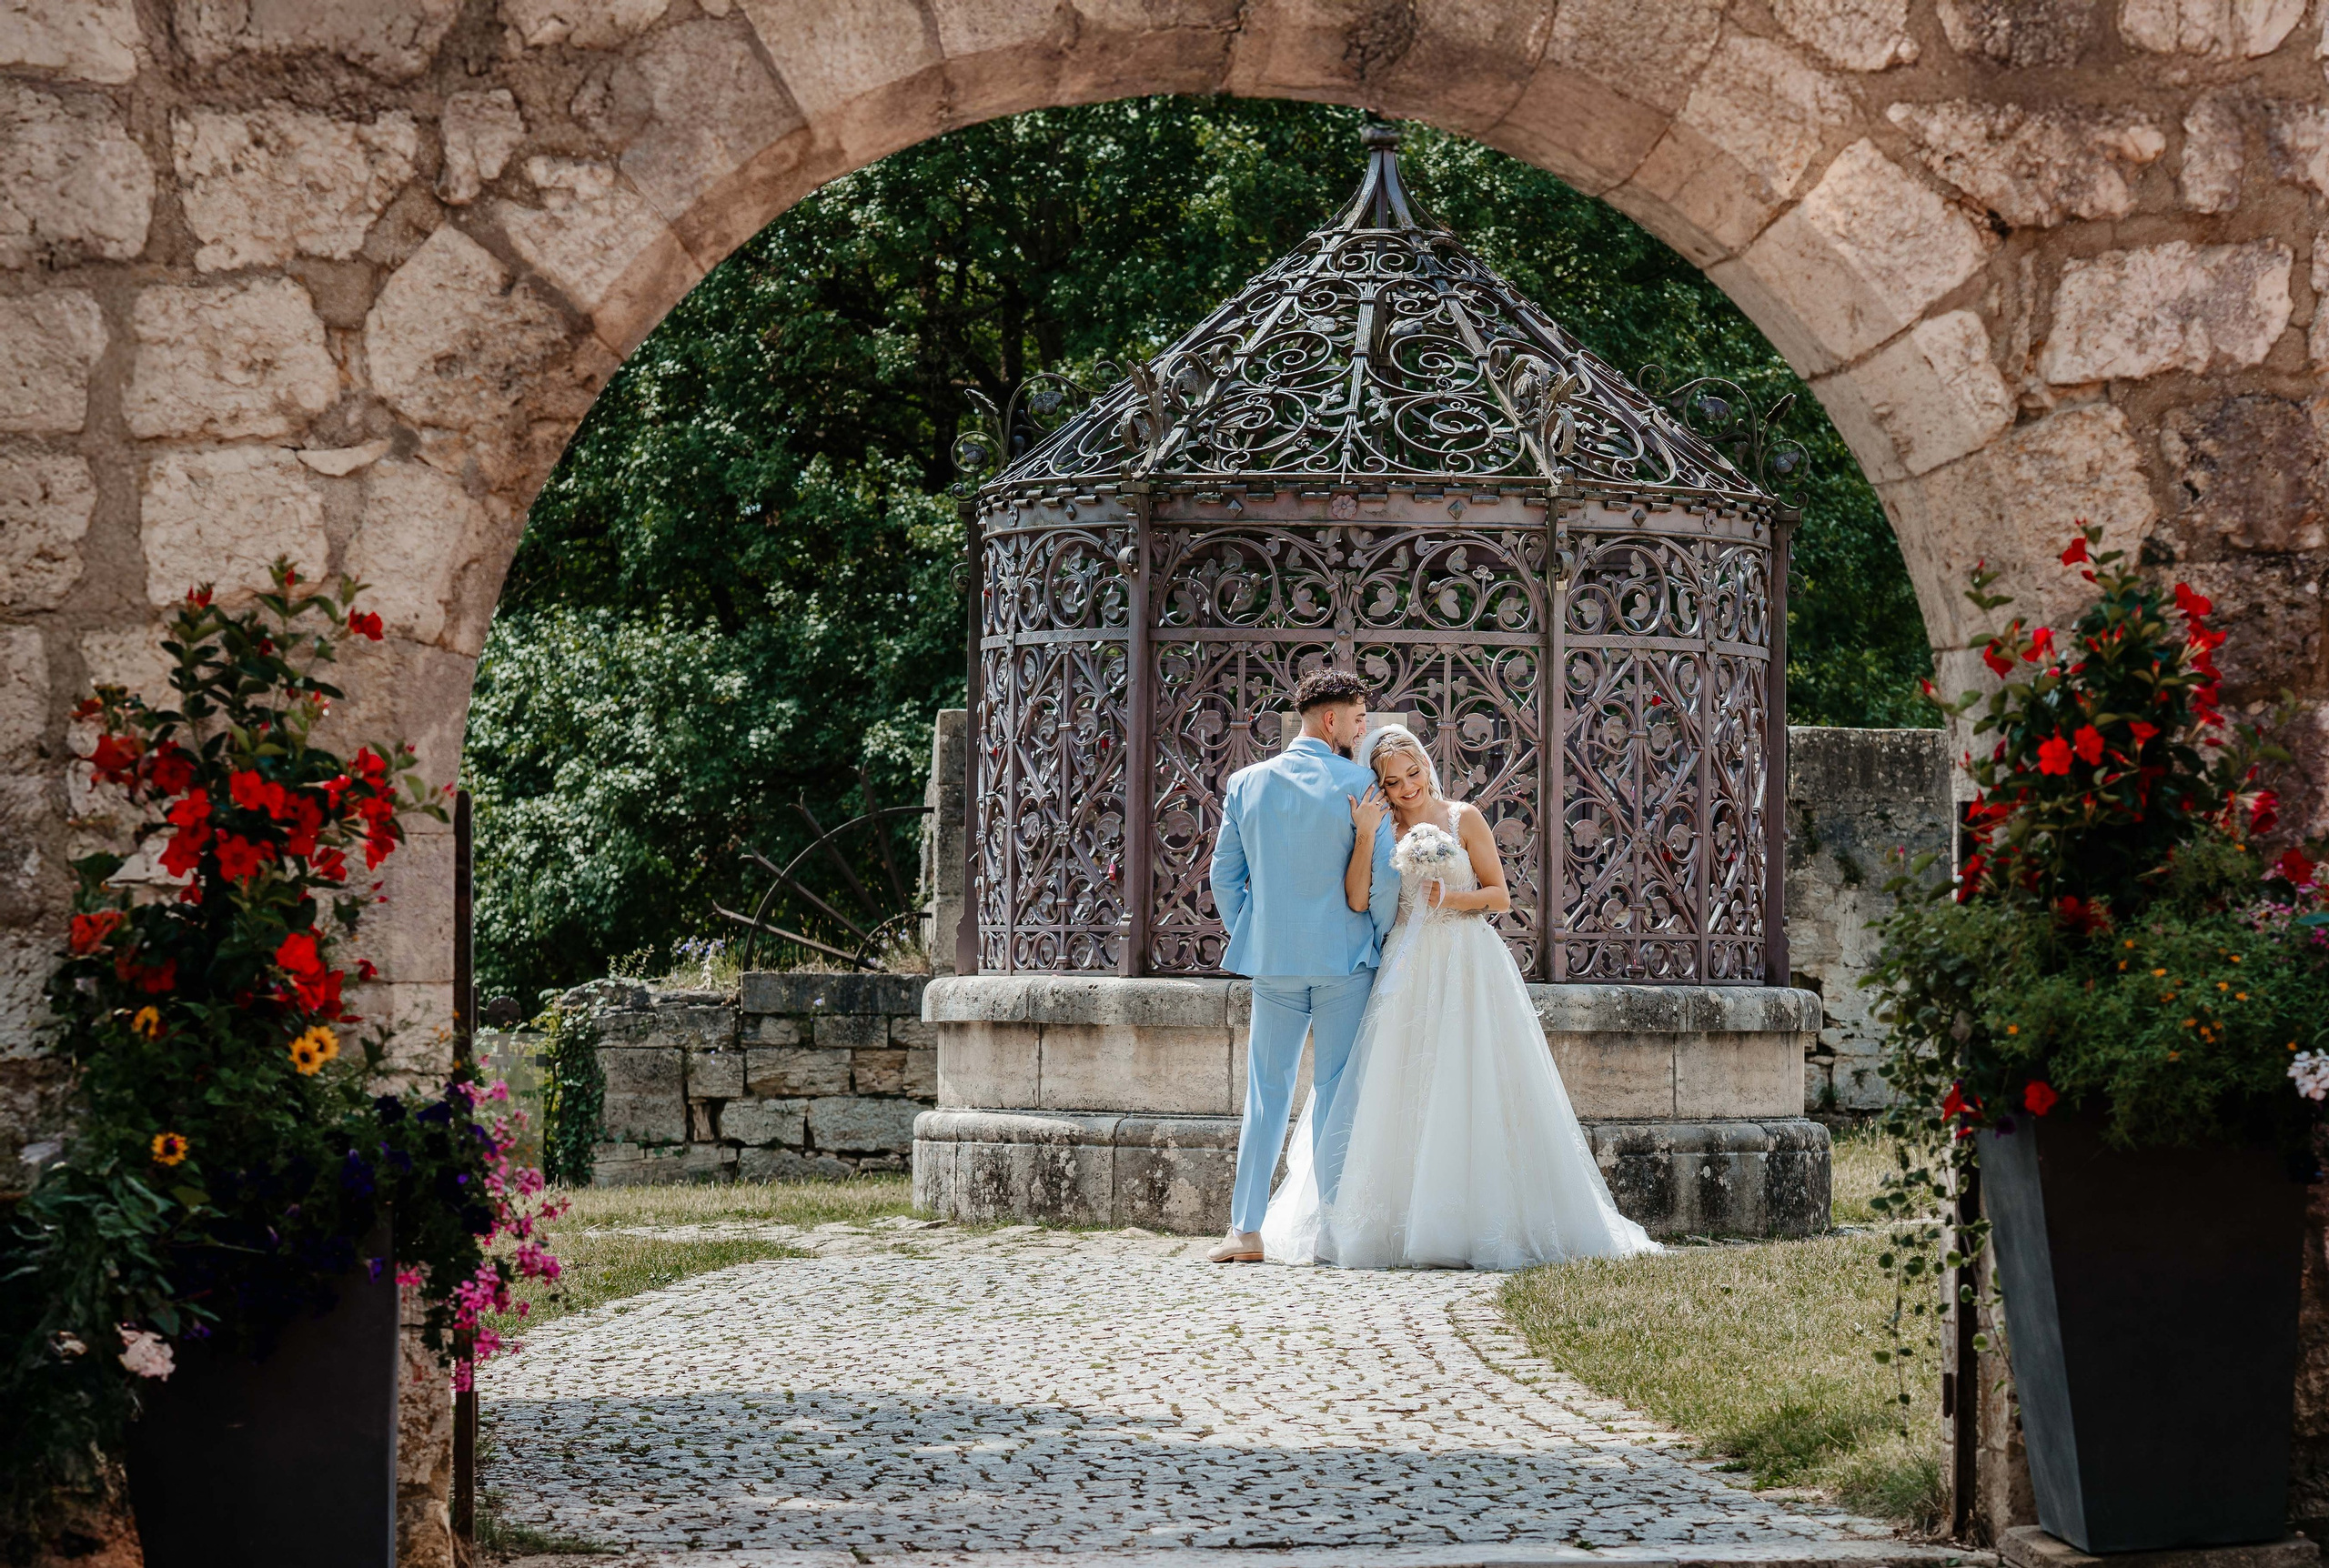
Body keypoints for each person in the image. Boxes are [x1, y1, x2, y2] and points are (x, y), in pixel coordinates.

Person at [1261, 724, 1659, 1270]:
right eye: (1393, 781)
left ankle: (1473, 1220)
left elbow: (1500, 897)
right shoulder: (1383, 827)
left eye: (1413, 774)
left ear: (1427, 765)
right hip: (1406, 964)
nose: (1407, 788)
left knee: (1472, 1077)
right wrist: (1364, 835)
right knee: (1396, 1082)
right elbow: (1358, 900)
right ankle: (1390, 1222)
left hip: (1467, 961)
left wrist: (1450, 896)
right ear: (1381, 785)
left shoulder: (1462, 817)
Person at [1204, 668, 1399, 1264]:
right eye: (1359, 718)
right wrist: (1379, 939)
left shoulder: (1246, 783)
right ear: (1331, 719)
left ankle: (1246, 1231)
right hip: (1346, 959)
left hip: (1275, 961)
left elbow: (1223, 878)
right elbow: (1386, 879)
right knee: (1337, 1092)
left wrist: (1257, 933)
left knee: (1265, 1092)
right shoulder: (1361, 784)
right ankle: (1333, 1234)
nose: (1363, 729)